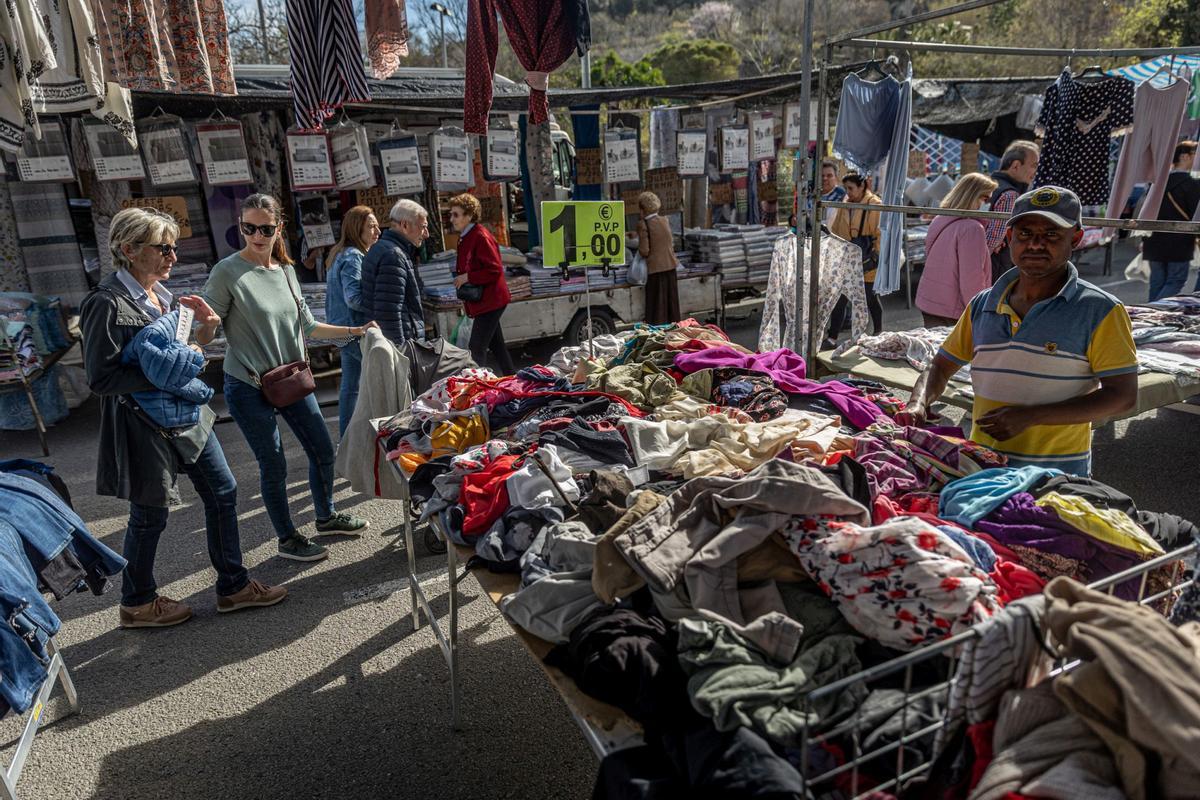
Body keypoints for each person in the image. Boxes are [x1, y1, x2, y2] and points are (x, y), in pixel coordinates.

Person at [80, 207, 287, 628]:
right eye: (163, 248)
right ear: (130, 250)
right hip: (142, 422)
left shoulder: (165, 297)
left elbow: (183, 350)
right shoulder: (105, 302)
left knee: (224, 492)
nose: (173, 256)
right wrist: (164, 374)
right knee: (150, 514)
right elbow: (101, 378)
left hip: (187, 414)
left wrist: (205, 330)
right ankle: (137, 602)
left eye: (174, 248)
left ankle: (233, 587)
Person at [898, 186, 1137, 476]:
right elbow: (940, 365)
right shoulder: (982, 304)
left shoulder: (1101, 310)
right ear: (1010, 238)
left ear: (1075, 239)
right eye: (1025, 234)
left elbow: (1123, 395)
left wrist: (1032, 416)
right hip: (982, 468)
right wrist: (917, 403)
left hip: (1057, 477)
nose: (1035, 244)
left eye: (1051, 235)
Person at [198, 194, 377, 564]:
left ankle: (326, 516)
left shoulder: (287, 271)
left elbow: (308, 327)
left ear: (278, 228)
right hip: (247, 384)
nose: (257, 235)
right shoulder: (227, 271)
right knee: (274, 464)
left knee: (322, 450)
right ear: (241, 227)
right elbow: (205, 333)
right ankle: (287, 537)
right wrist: (207, 325)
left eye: (265, 228)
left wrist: (356, 330)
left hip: (291, 379)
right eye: (249, 228)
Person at [915, 172, 999, 327]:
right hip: (953, 310)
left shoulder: (941, 218)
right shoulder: (972, 228)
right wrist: (979, 312)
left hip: (930, 300)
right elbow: (972, 278)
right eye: (985, 198)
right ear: (971, 196)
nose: (988, 204)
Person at [325, 205, 381, 435]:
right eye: (371, 226)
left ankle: (347, 437)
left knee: (351, 384)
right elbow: (354, 298)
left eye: (377, 225)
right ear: (357, 229)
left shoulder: (342, 253)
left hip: (342, 328)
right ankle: (359, 437)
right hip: (353, 328)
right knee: (378, 379)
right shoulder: (353, 256)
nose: (377, 231)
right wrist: (380, 302)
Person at [448, 193, 515, 375]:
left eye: (456, 214)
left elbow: (494, 269)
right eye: (451, 214)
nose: (452, 219)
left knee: (476, 347)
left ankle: (475, 386)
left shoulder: (480, 236)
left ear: (469, 216)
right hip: (485, 301)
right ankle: (513, 377)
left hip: (491, 301)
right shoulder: (467, 235)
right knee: (497, 346)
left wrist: (467, 277)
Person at [361, 198, 428, 346]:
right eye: (423, 227)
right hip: (400, 343)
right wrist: (399, 352)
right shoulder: (393, 255)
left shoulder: (385, 249)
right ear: (405, 225)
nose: (426, 234)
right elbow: (388, 312)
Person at [1143, 141, 1199, 301]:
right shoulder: (1192, 183)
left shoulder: (1157, 182)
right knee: (1176, 281)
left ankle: (1149, 314)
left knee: (1157, 282)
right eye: (1195, 154)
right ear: (1184, 156)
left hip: (1153, 240)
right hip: (1179, 241)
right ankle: (1156, 312)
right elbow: (1196, 214)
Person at [829, 173, 883, 336]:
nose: (848, 192)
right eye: (846, 188)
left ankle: (879, 331)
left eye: (851, 188)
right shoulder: (845, 204)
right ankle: (832, 336)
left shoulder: (875, 204)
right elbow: (837, 229)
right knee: (840, 298)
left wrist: (876, 256)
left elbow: (880, 233)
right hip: (847, 256)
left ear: (862, 187)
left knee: (869, 296)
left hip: (867, 258)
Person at [983, 140, 1040, 281]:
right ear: (1015, 165)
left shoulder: (986, 184)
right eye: (1034, 166)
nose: (1036, 172)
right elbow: (993, 239)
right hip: (994, 266)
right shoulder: (1009, 195)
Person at [636, 191, 681, 325]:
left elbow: (644, 251)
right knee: (670, 306)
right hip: (670, 267)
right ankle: (674, 332)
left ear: (643, 209)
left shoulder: (643, 224)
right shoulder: (665, 220)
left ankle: (658, 335)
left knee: (657, 308)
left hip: (655, 271)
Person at [818, 159, 845, 226]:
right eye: (822, 176)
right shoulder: (810, 195)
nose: (825, 178)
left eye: (829, 176)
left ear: (836, 177)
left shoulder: (843, 196)